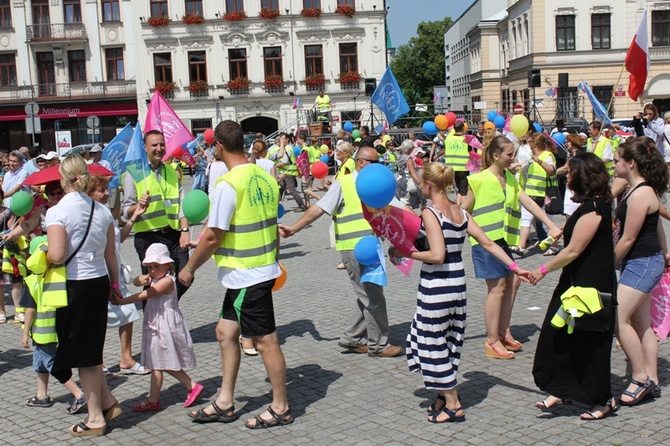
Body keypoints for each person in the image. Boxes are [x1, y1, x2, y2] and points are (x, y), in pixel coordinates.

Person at [390, 162, 531, 423]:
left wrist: (404, 253)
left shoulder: (431, 213)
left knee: (430, 342)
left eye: (421, 183)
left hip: (437, 287)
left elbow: (436, 255)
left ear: (429, 185)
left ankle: (453, 403)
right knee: (448, 341)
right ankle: (443, 396)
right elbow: (487, 242)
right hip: (458, 285)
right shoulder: (460, 211)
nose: (420, 186)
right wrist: (515, 266)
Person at [177, 120, 292, 429]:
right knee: (225, 333)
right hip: (256, 270)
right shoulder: (266, 178)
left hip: (246, 275)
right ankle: (226, 402)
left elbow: (214, 236)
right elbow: (268, 225)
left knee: (266, 341)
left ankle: (280, 407)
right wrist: (274, 261)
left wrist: (189, 268)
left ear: (218, 147)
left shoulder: (229, 184)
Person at [280, 146, 404, 357]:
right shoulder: (344, 184)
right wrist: (294, 228)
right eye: (375, 162)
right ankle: (378, 345)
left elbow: (395, 211)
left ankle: (352, 338)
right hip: (354, 250)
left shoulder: (377, 184)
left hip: (372, 249)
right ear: (362, 163)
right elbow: (318, 209)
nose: (380, 166)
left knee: (366, 295)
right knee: (373, 298)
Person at [531, 152, 618, 420]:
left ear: (582, 177)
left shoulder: (596, 208)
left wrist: (541, 270)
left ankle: (603, 400)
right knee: (559, 336)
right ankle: (562, 388)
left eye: (570, 172)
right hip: (574, 282)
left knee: (591, 343)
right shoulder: (589, 204)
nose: (566, 176)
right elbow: (568, 235)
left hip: (591, 287)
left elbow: (574, 250)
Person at [462, 136, 560, 359]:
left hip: (504, 239)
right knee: (497, 289)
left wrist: (551, 224)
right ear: (495, 156)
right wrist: (476, 232)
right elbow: (463, 210)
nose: (512, 159)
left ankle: (503, 331)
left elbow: (527, 201)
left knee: (512, 282)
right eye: (509, 155)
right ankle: (492, 340)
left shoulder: (509, 177)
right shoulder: (479, 180)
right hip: (486, 243)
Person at [45, 154, 122, 437]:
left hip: (74, 285)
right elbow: (110, 254)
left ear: (62, 178)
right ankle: (107, 401)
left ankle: (95, 419)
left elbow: (56, 254)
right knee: (90, 346)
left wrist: (42, 251)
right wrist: (115, 287)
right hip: (99, 281)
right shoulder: (101, 210)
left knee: (86, 355)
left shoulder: (58, 211)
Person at [112, 243, 203, 412]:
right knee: (157, 362)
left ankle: (186, 387)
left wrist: (122, 301)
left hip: (164, 325)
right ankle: (158, 397)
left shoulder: (167, 281)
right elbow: (139, 282)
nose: (153, 270)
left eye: (156, 266)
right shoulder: (154, 277)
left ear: (168, 264)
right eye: (150, 266)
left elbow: (148, 294)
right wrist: (140, 279)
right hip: (156, 323)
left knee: (160, 361)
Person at [614, 139, 668, 405]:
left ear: (631, 163)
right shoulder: (636, 188)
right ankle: (653, 379)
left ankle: (640, 379)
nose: (613, 164)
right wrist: (665, 251)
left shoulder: (640, 193)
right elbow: (657, 225)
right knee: (641, 323)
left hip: (642, 262)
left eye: (616, 160)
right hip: (644, 261)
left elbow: (628, 238)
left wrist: (607, 262)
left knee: (617, 317)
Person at [87, 175, 149, 376]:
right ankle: (98, 363)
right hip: (99, 274)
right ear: (88, 194)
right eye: (101, 190)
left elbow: (118, 239)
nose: (107, 193)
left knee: (128, 312)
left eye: (106, 188)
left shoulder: (106, 213)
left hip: (116, 273)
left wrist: (133, 217)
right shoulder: (89, 216)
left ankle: (126, 359)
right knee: (98, 320)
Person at [121, 130, 191, 299]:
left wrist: (184, 230)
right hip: (148, 237)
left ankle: (168, 306)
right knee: (153, 284)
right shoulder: (134, 172)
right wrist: (139, 205)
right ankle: (155, 319)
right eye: (154, 145)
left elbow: (181, 203)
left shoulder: (171, 171)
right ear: (145, 147)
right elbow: (126, 210)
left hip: (173, 234)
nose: (159, 148)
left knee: (186, 274)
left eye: (161, 144)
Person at [20, 240, 87, 414]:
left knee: (52, 364)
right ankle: (41, 395)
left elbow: (30, 309)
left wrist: (25, 334)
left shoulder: (32, 280)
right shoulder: (60, 277)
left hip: (42, 332)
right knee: (40, 362)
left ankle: (79, 394)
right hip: (56, 330)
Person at [518, 133, 559, 255]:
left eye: (530, 142)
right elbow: (525, 166)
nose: (528, 144)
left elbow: (552, 171)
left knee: (547, 223)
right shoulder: (532, 156)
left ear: (534, 143)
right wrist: (515, 166)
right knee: (525, 219)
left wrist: (540, 161)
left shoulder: (547, 156)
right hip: (530, 193)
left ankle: (555, 247)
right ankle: (521, 246)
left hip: (544, 194)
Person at [269, 133, 306, 212]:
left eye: (282, 139)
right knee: (280, 189)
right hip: (284, 172)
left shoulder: (288, 149)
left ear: (287, 139)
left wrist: (274, 167)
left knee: (292, 190)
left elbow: (284, 162)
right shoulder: (285, 148)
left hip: (288, 173)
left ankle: (302, 206)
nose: (281, 140)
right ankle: (274, 206)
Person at [555, 133, 586, 217]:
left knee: (570, 212)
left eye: (568, 141)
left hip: (573, 186)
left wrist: (552, 172)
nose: (566, 143)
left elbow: (565, 168)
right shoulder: (578, 153)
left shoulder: (576, 155)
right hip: (577, 185)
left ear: (573, 142)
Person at [443, 121, 470, 205]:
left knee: (459, 190)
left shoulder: (448, 139)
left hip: (451, 168)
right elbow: (470, 152)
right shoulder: (466, 139)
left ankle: (458, 207)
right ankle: (464, 209)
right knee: (464, 191)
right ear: (463, 128)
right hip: (463, 167)